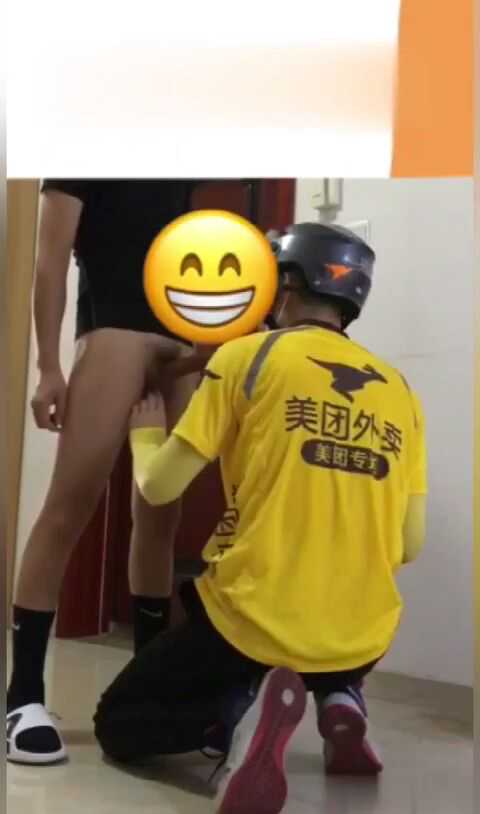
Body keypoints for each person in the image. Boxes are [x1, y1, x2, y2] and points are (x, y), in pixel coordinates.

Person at [93, 222, 428, 814]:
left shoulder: (248, 356)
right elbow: (409, 544)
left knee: (117, 723)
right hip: (363, 633)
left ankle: (233, 716)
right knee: (326, 620)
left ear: (288, 285)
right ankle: (341, 696)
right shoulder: (400, 390)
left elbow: (160, 485)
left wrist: (146, 435)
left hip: (256, 620)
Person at [6, 179, 214, 766]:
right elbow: (51, 262)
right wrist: (49, 367)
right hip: (114, 330)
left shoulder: (183, 158)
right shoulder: (85, 149)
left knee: (161, 513)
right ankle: (22, 698)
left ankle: (145, 692)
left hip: (181, 340)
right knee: (70, 504)